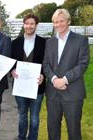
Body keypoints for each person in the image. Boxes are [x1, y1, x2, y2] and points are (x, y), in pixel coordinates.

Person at [43, 9, 90, 140]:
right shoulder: (49, 42)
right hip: (53, 94)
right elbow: (45, 64)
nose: (58, 24)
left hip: (73, 93)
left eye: (61, 21)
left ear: (68, 21)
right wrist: (53, 79)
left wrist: (64, 80)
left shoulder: (81, 40)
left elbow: (82, 64)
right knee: (52, 130)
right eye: (55, 22)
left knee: (74, 131)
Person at [11, 14, 46, 140]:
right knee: (22, 115)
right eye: (27, 23)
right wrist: (12, 71)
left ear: (36, 25)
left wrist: (44, 75)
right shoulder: (15, 42)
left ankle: (32, 138)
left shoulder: (44, 42)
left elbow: (47, 62)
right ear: (23, 25)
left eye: (32, 24)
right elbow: (11, 62)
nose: (29, 26)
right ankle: (21, 137)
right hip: (20, 86)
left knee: (35, 117)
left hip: (37, 86)